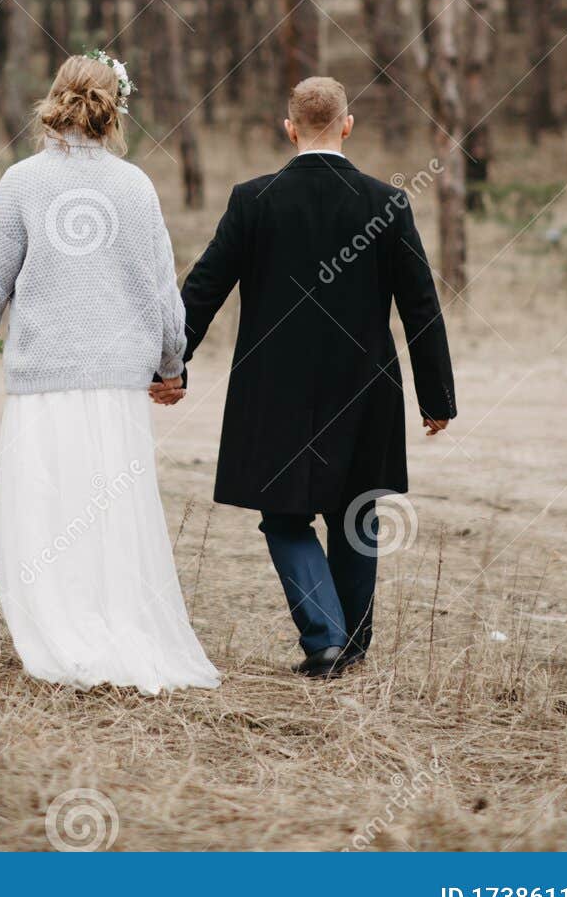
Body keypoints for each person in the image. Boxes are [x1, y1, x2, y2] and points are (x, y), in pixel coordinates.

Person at [0, 52, 219, 695]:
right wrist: (170, 367)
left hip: (46, 379)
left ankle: (63, 630)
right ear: (114, 108)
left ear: (54, 100)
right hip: (117, 385)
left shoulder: (22, 182)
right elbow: (160, 291)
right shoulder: (135, 186)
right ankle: (116, 626)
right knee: (111, 512)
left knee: (48, 507)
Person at [152, 75, 455, 680]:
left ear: (289, 128)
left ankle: (326, 639)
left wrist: (172, 366)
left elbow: (204, 288)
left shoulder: (253, 200)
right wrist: (436, 396)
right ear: (347, 125)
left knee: (284, 515)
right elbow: (421, 304)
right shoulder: (386, 203)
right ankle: (350, 644)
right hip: (365, 383)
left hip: (275, 385)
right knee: (356, 512)